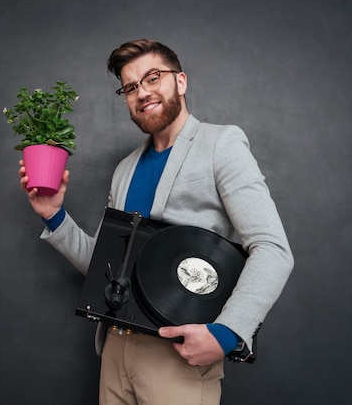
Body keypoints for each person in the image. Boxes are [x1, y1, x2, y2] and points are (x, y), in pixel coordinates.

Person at [18, 39, 294, 405]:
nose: (142, 93)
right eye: (130, 87)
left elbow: (272, 248)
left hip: (176, 359)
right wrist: (53, 214)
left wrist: (226, 333)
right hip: (115, 351)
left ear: (180, 81)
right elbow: (105, 267)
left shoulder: (221, 144)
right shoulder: (125, 170)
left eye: (152, 78)